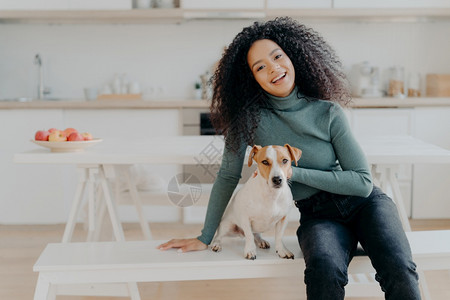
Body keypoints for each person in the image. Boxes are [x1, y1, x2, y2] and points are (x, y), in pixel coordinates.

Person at [158, 17, 421, 299]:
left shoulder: (327, 112)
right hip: (317, 216)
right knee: (323, 269)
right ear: (252, 78)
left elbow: (362, 183)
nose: (273, 68)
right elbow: (227, 176)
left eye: (277, 56)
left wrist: (294, 172)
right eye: (260, 67)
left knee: (398, 267)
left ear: (292, 57)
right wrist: (205, 236)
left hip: (366, 206)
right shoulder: (246, 121)